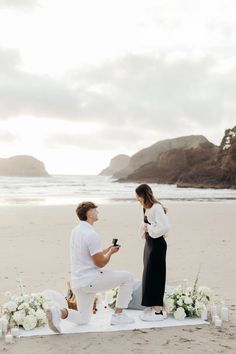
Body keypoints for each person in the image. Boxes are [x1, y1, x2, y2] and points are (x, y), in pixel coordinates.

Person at [46, 201, 134, 333]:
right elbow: (100, 263)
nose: (97, 212)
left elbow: (86, 255)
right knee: (128, 277)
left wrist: (106, 250)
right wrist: (110, 253)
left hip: (78, 282)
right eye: (95, 210)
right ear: (89, 214)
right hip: (91, 280)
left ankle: (59, 313)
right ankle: (118, 315)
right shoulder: (91, 234)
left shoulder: (75, 231)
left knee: (84, 319)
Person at [135, 184, 170, 321]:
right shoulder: (146, 207)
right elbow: (148, 225)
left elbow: (165, 227)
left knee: (156, 274)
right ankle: (150, 306)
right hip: (149, 244)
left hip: (157, 245)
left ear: (143, 195)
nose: (137, 199)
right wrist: (145, 227)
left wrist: (149, 227)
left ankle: (158, 310)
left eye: (138, 196)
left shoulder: (157, 207)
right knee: (148, 274)